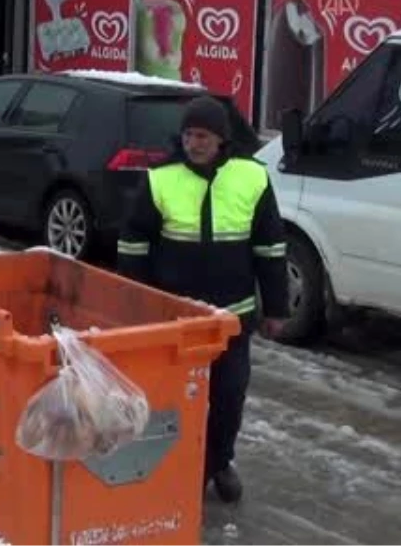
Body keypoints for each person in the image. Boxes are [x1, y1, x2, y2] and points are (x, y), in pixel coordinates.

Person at [115, 95, 289, 504]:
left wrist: (277, 309)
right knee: (171, 400)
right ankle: (171, 468)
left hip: (233, 318)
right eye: (189, 135)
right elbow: (133, 243)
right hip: (176, 319)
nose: (194, 143)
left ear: (222, 139)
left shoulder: (253, 177)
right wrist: (135, 305)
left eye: (203, 136)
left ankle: (218, 463)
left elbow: (271, 248)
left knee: (228, 397)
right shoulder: (161, 179)